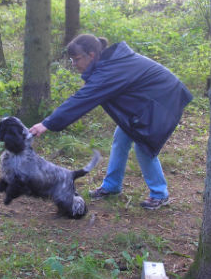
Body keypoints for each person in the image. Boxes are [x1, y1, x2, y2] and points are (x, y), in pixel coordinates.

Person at [29, 34, 193, 210]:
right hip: (145, 103)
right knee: (121, 138)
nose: (74, 64)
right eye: (72, 60)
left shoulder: (111, 69)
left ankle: (160, 194)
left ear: (91, 55)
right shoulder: (108, 63)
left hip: (163, 101)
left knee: (144, 145)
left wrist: (47, 123)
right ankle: (112, 186)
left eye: (76, 59)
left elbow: (82, 99)